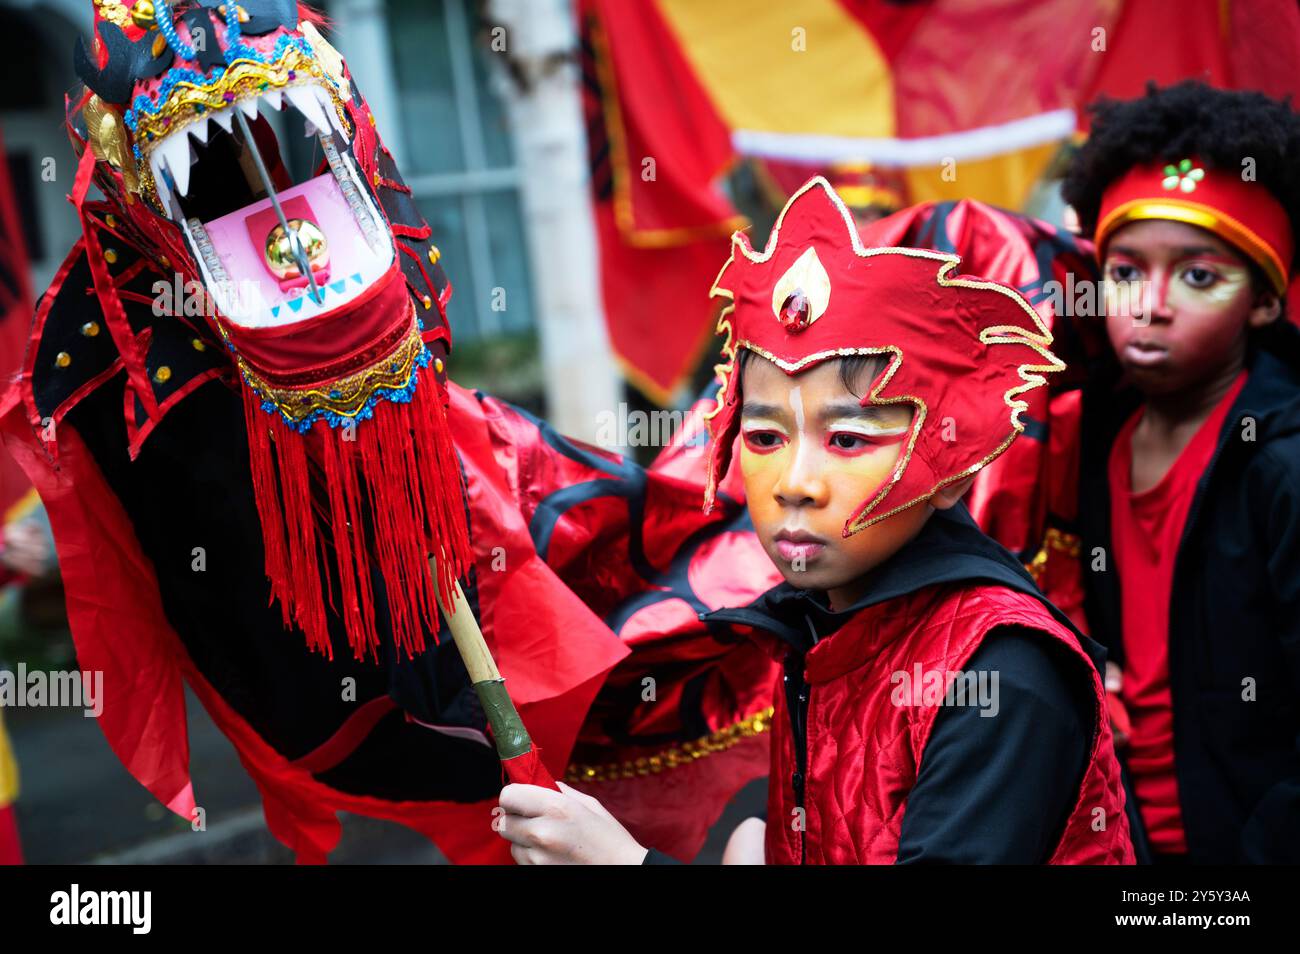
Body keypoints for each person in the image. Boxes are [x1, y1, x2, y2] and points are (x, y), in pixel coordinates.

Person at [496, 178, 1133, 864]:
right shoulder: (819, 627)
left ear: (955, 470)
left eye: (850, 440)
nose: (795, 485)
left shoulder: (1000, 675)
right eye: (766, 438)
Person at [1061, 80, 1300, 864]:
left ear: (1263, 302)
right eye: (1125, 271)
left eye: (1198, 277)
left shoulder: (1284, 467)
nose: (1151, 304)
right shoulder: (1090, 432)